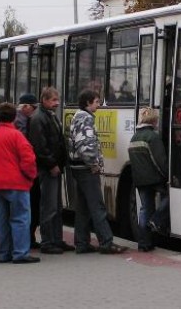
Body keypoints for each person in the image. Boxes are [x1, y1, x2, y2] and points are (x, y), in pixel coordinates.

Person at [68, 89, 128, 254]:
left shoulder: (77, 116)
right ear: (88, 103)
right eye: (96, 102)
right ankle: (106, 242)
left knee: (83, 208)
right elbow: (85, 144)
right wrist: (93, 163)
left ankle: (81, 243)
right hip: (86, 168)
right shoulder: (85, 118)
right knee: (97, 206)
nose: (99, 105)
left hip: (77, 167)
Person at [0, 102, 39, 264]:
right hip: (17, 184)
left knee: (2, 220)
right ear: (13, 117)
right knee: (20, 219)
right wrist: (30, 178)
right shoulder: (17, 136)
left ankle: (4, 253)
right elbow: (29, 160)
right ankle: (20, 253)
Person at [27, 86, 74, 255]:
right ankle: (47, 241)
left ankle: (57, 239)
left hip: (54, 167)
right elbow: (39, 147)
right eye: (54, 100)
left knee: (57, 207)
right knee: (49, 207)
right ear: (44, 100)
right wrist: (52, 164)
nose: (57, 103)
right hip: (47, 169)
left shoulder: (49, 116)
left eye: (57, 99)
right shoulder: (38, 118)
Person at [128, 107, 169, 252]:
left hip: (140, 181)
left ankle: (144, 243)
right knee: (170, 197)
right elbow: (160, 161)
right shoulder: (153, 137)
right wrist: (166, 176)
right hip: (154, 179)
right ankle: (156, 220)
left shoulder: (134, 137)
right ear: (153, 120)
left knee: (145, 209)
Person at [14, 93, 41, 249]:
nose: (35, 110)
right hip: (24, 174)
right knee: (28, 207)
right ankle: (24, 243)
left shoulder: (23, 120)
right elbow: (26, 149)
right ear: (25, 107)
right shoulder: (21, 122)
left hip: (23, 173)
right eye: (33, 107)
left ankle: (27, 239)